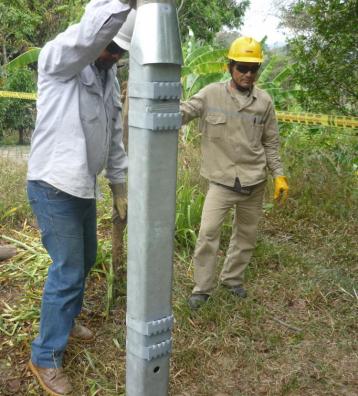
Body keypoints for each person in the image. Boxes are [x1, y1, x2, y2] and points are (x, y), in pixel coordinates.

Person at [26, 1, 136, 394]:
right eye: (110, 47)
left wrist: (119, 185)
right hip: (52, 185)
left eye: (120, 52)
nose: (113, 55)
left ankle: (65, 321)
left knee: (86, 260)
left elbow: (114, 139)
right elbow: (88, 37)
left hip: (81, 187)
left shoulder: (108, 79)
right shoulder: (61, 59)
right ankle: (45, 356)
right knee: (69, 270)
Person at [180, 37, 289, 310]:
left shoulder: (264, 102)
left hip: (254, 180)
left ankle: (232, 280)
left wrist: (278, 175)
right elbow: (181, 113)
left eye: (254, 69)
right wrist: (150, 103)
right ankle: (202, 289)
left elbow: (271, 142)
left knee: (246, 235)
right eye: (242, 67)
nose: (248, 74)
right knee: (208, 233)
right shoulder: (210, 94)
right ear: (230, 66)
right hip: (222, 181)